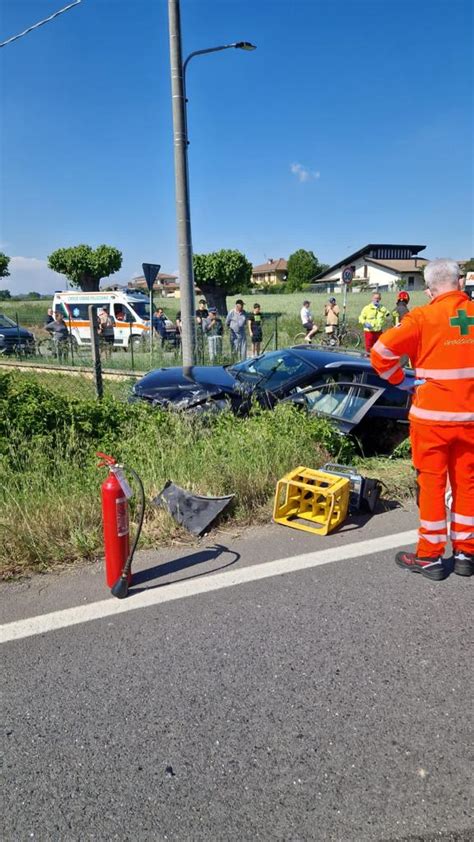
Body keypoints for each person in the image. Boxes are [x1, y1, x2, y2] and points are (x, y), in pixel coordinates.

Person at [370, 259, 474, 581]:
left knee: (431, 485)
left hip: (431, 420)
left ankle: (429, 557)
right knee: (467, 484)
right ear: (459, 282)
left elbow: (380, 352)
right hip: (470, 419)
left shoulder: (422, 317)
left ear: (429, 290)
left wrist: (399, 379)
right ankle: (465, 553)